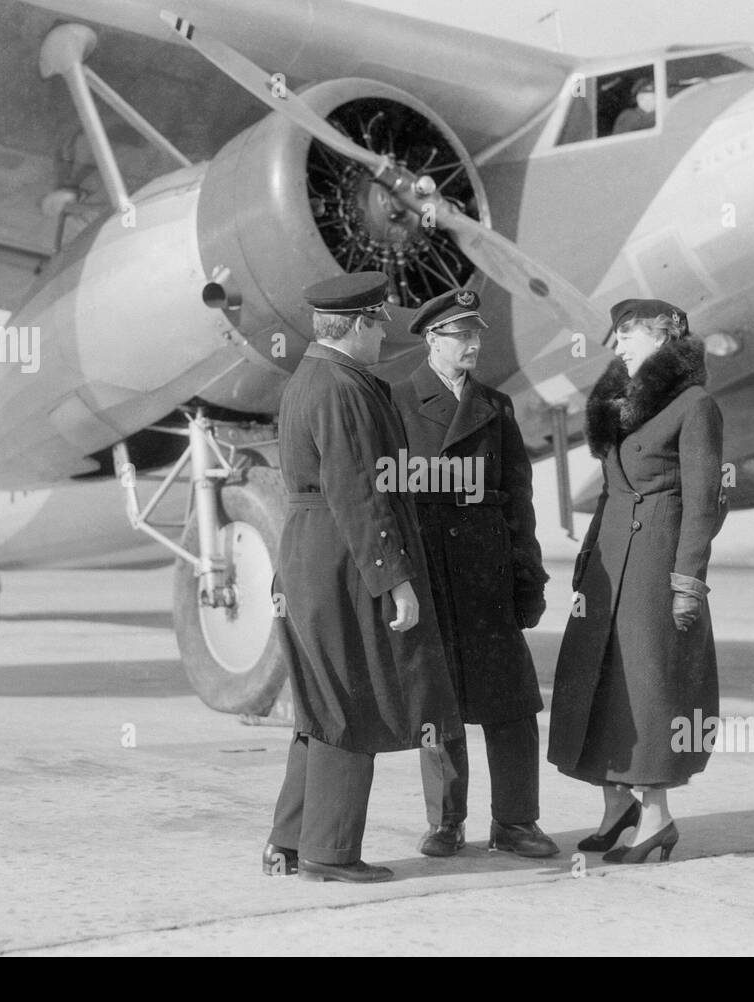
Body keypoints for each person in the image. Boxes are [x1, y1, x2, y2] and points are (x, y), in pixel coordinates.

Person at [263, 271, 460, 884]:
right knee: (351, 699)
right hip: (342, 559)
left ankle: (291, 843)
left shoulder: (314, 379)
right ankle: (331, 852)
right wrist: (393, 578)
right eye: (379, 322)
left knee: (320, 704)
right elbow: (357, 491)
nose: (385, 333)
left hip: (310, 555)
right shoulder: (340, 387)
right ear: (356, 325)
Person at [547, 299, 724, 863]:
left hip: (655, 565)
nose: (616, 346)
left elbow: (702, 504)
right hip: (610, 564)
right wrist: (586, 563)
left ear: (663, 337)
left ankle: (656, 818)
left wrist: (687, 582)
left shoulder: (696, 407)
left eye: (627, 335)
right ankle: (615, 806)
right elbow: (610, 492)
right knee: (599, 681)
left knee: (649, 690)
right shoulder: (618, 405)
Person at [390, 288, 557, 860]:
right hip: (433, 572)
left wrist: (526, 574)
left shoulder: (496, 405)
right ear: (433, 339)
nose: (474, 344)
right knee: (441, 706)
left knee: (511, 703)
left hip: (487, 574)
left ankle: (515, 822)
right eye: (463, 335)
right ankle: (446, 822)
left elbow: (518, 498)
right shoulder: (398, 402)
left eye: (477, 334)